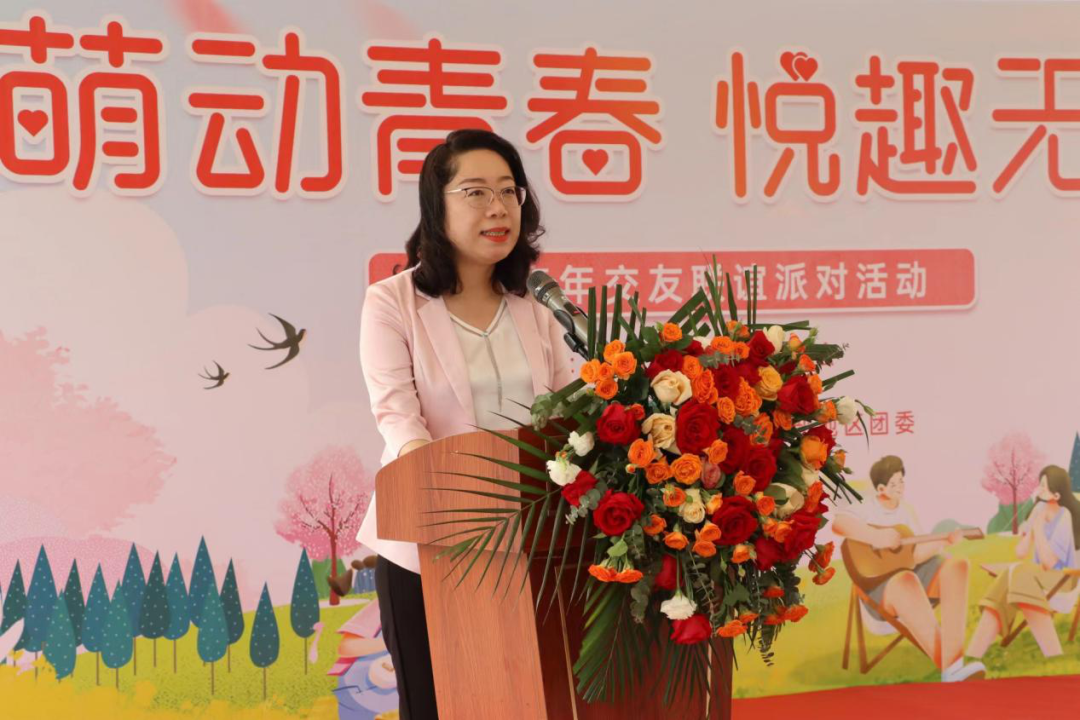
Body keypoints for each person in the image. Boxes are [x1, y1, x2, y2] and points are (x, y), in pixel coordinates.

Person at [356, 128, 575, 719]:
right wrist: (451, 497)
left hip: (533, 543)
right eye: (476, 192)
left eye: (509, 191)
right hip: (428, 546)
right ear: (438, 205)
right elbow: (398, 417)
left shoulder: (537, 303)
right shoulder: (393, 302)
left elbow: (564, 413)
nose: (498, 208)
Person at [832, 455, 984, 681]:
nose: (900, 487)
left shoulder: (906, 512)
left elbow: (915, 556)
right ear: (881, 488)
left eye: (901, 481)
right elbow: (839, 524)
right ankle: (952, 668)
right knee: (906, 579)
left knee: (957, 566)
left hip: (912, 583)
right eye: (894, 483)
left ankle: (953, 665)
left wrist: (944, 541)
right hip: (879, 592)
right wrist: (875, 536)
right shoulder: (866, 508)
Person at [964, 465, 1080, 660]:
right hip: (1038, 578)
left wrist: (1039, 528)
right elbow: (1020, 553)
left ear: (1056, 495)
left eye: (1044, 486)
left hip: (1064, 580)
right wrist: (1030, 528)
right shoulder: (1039, 510)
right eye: (1040, 485)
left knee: (1018, 573)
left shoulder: (1064, 516)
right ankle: (974, 654)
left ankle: (1053, 653)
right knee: (1011, 574)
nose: (1039, 490)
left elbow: (1049, 563)